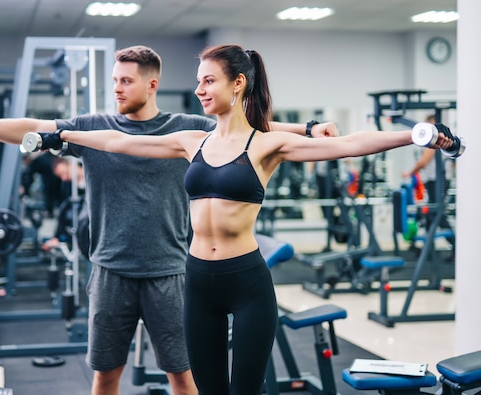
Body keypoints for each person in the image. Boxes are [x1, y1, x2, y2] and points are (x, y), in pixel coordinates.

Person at [49, 44, 455, 394]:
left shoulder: (266, 144)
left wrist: (415, 134)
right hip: (197, 281)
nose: (199, 89)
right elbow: (119, 140)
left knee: (244, 390)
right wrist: (64, 136)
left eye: (209, 81)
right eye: (199, 81)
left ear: (237, 83)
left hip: (245, 282)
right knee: (208, 389)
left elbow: (348, 146)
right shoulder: (193, 141)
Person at [0, 45, 340, 395]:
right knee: (105, 378)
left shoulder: (187, 128)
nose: (116, 88)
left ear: (151, 85)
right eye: (115, 80)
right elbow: (32, 127)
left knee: (184, 380)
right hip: (111, 271)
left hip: (170, 272)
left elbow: (249, 132)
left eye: (126, 81)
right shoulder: (92, 128)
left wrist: (307, 129)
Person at [401, 114, 456, 251]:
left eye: (430, 124)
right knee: (430, 213)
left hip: (438, 180)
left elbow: (423, 162)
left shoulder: (436, 139)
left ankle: (456, 246)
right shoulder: (437, 140)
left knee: (437, 213)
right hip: (434, 181)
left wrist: (409, 173)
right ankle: (428, 248)